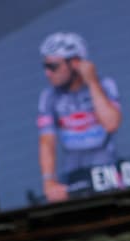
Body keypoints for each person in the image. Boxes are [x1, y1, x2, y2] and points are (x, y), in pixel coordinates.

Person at [36, 33, 122, 202]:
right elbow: (47, 142)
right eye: (45, 66)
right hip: (72, 176)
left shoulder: (104, 85)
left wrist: (92, 82)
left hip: (107, 170)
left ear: (75, 63)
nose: (47, 73)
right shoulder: (49, 97)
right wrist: (49, 182)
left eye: (53, 66)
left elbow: (111, 124)